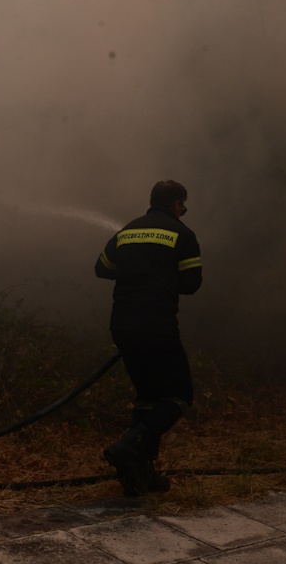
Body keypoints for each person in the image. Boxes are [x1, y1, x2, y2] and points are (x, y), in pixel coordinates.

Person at [95, 180, 202, 497]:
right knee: (179, 395)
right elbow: (191, 283)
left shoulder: (127, 231)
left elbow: (101, 268)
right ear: (175, 204)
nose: (183, 211)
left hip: (123, 326)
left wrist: (136, 271)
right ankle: (128, 448)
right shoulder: (182, 235)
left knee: (148, 398)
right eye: (182, 206)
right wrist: (160, 274)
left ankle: (139, 474)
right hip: (156, 325)